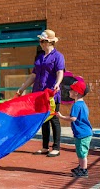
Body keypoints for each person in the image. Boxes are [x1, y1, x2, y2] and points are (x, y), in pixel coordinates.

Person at [17, 29, 65, 157]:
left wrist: (57, 83)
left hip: (51, 93)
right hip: (39, 93)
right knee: (43, 120)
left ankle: (56, 147)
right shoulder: (39, 57)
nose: (41, 43)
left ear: (50, 42)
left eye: (43, 41)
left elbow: (60, 72)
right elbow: (33, 75)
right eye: (40, 41)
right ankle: (45, 147)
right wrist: (23, 88)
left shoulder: (58, 56)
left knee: (53, 119)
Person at [57, 80, 92, 178]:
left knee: (82, 153)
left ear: (76, 93)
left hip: (82, 133)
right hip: (82, 133)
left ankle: (84, 170)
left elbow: (73, 118)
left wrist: (61, 116)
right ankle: (81, 167)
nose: (69, 92)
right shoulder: (82, 104)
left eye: (71, 90)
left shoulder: (76, 105)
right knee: (80, 151)